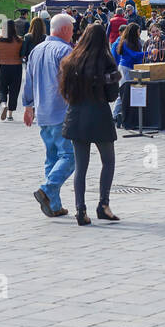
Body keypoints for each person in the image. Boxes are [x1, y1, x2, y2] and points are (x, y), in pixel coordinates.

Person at [60, 23, 123, 225]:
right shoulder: (105, 60)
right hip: (99, 115)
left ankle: (80, 209)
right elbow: (113, 94)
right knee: (108, 161)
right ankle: (103, 205)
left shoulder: (72, 60)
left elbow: (65, 91)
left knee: (81, 167)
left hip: (76, 116)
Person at [24, 13, 76, 218]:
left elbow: (28, 79)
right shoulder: (64, 50)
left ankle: (53, 205)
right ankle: (47, 189)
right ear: (64, 30)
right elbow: (70, 82)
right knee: (69, 156)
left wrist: (28, 106)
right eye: (71, 29)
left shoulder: (36, 50)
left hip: (43, 112)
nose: (73, 33)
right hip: (61, 111)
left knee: (51, 157)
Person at [0, 24, 24, 121]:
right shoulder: (19, 40)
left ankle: (3, 104)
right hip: (16, 67)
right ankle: (10, 114)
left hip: (3, 67)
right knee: (14, 90)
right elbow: (22, 54)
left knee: (1, 88)